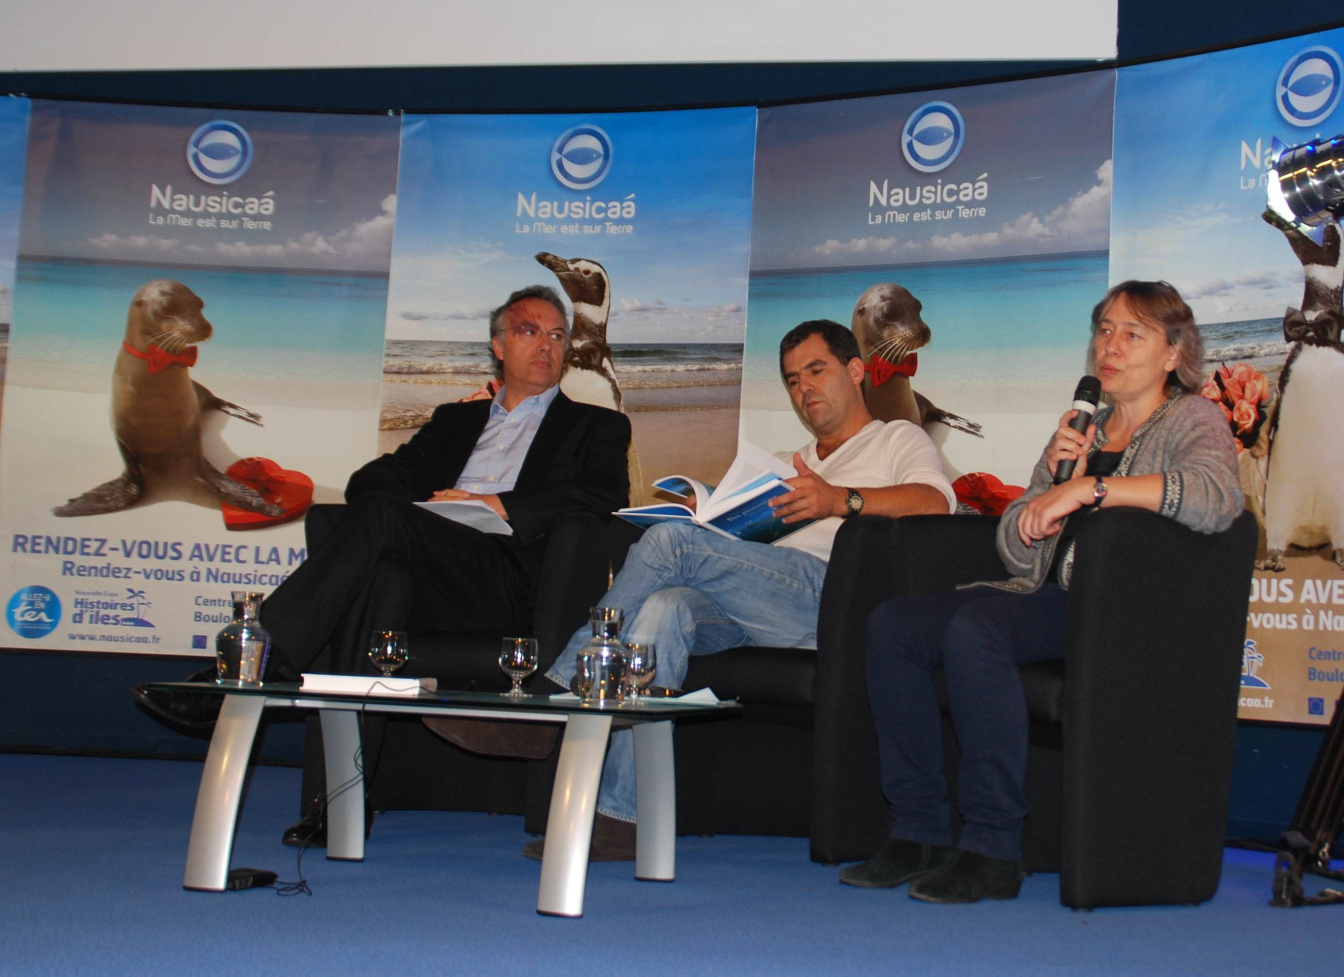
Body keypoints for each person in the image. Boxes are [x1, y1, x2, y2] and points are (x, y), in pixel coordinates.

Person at [428, 318, 956, 860]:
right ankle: (622, 819)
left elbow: (936, 503)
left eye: (816, 371)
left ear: (856, 370)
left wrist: (837, 500)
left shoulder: (897, 436)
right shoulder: (785, 463)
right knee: (663, 606)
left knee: (669, 545)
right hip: (759, 603)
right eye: (793, 379)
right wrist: (708, 519)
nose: (804, 389)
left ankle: (551, 699)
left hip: (833, 600)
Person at [135, 285, 631, 836]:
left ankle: (259, 660)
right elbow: (370, 482)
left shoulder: (596, 425)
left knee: (379, 524)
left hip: (510, 575)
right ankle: (340, 808)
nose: (546, 346)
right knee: (380, 573)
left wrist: (494, 504)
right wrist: (427, 505)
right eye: (529, 331)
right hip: (432, 564)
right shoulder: (455, 422)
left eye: (557, 336)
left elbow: (602, 494)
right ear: (498, 346)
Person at [839, 280, 1242, 904]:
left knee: (978, 631)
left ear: (1172, 352)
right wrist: (1044, 502)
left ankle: (993, 847)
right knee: (894, 625)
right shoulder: (1083, 428)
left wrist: (1093, 491)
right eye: (1103, 330)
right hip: (1044, 595)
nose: (1110, 346)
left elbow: (1217, 498)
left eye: (1132, 333)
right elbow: (1016, 545)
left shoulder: (1193, 417)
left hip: (1118, 611)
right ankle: (918, 829)